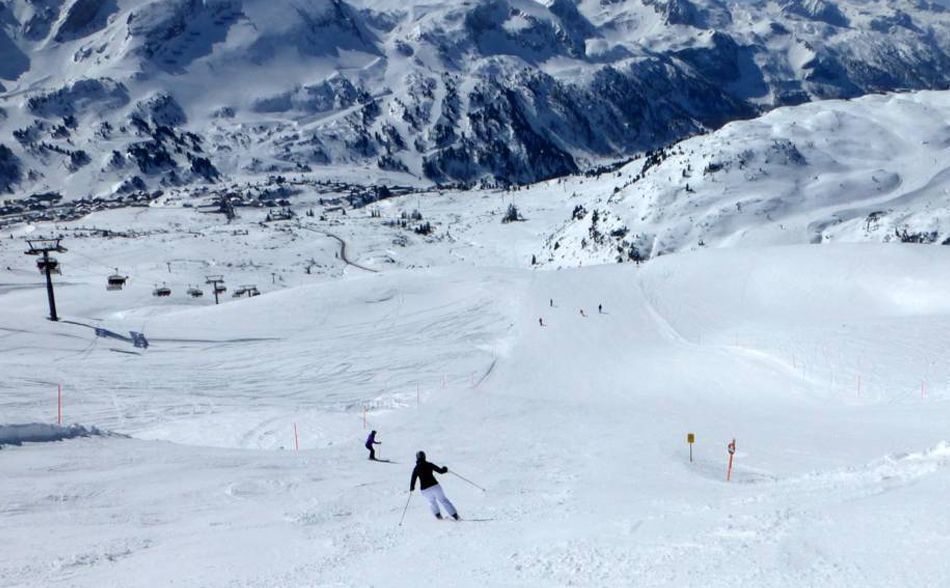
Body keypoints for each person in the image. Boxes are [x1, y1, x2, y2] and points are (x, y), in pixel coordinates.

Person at [410, 451, 459, 520]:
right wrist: (445, 468)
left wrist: (412, 487)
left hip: (425, 490)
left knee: (431, 501)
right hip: (435, 486)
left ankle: (438, 516)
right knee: (443, 500)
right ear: (424, 456)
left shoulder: (416, 468)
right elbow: (441, 471)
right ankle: (455, 516)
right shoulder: (429, 464)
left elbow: (413, 479)